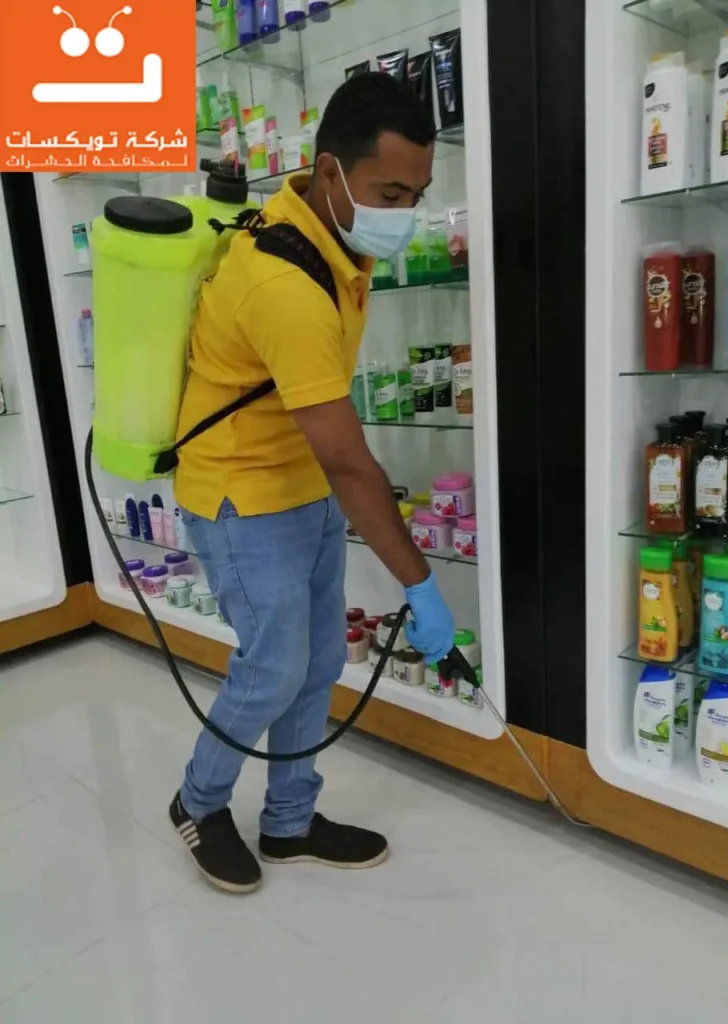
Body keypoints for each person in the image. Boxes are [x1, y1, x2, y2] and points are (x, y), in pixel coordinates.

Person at [169, 73, 455, 894]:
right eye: (390, 193)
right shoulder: (282, 285)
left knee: (320, 658)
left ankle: (289, 821)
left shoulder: (332, 239)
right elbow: (351, 463)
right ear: (330, 171)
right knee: (273, 666)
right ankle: (197, 801)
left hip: (302, 483)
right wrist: (419, 583)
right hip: (239, 493)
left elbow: (327, 445)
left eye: (418, 194)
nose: (405, 213)